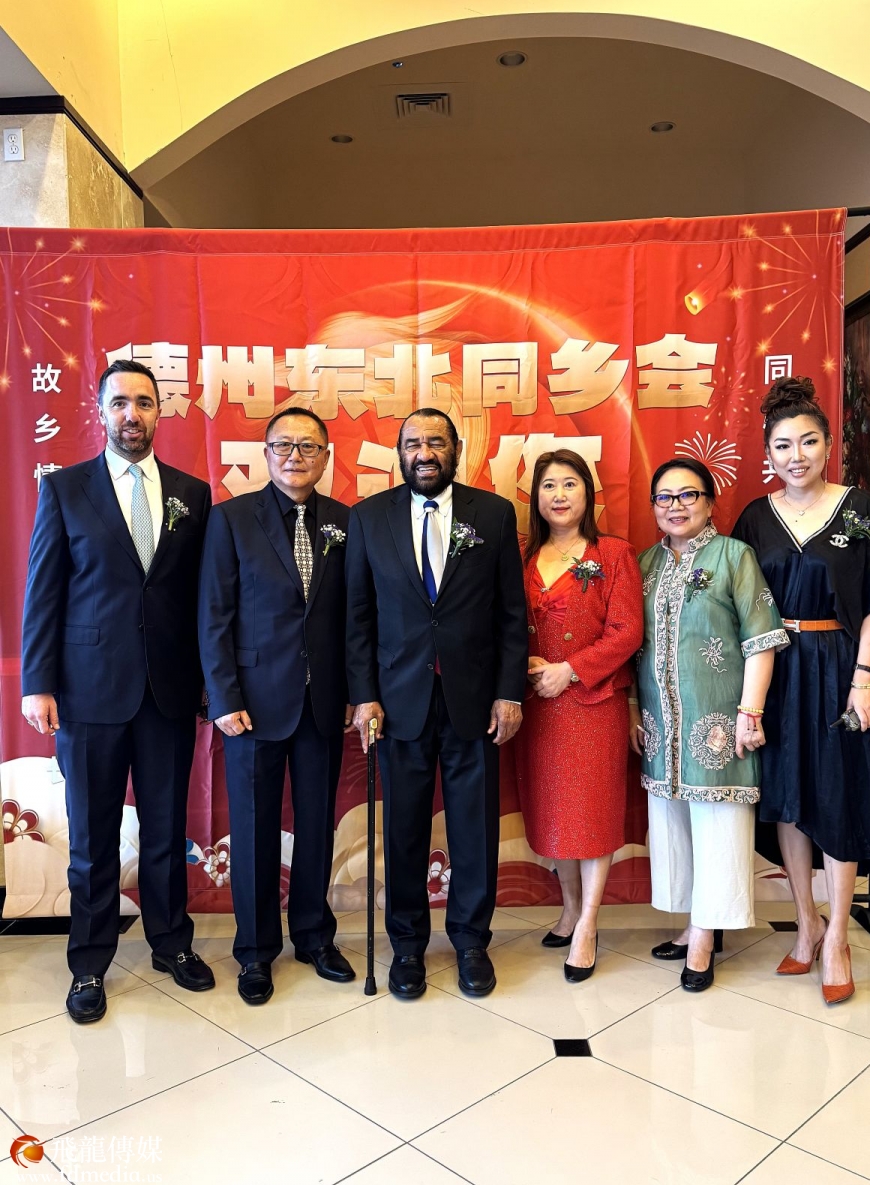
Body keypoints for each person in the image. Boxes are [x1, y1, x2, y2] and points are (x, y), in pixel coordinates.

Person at [21, 358, 215, 1023]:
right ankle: (89, 962)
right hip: (88, 693)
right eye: (120, 403)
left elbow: (201, 599)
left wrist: (208, 682)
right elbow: (43, 590)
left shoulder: (192, 493)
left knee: (165, 830)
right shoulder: (65, 489)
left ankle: (171, 943)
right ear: (101, 412)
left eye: (144, 402)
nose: (132, 414)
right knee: (94, 838)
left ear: (160, 412)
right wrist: (38, 682)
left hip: (169, 692)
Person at [346, 408, 528, 999]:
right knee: (402, 829)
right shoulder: (369, 517)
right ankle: (407, 947)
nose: (424, 453)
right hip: (398, 703)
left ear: (457, 449)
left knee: (474, 827)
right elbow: (358, 617)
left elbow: (510, 613)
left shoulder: (492, 514)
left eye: (435, 442)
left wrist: (508, 692)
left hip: (473, 700)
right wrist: (364, 696)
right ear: (400, 453)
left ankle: (471, 941)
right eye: (412, 444)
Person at [733, 376, 870, 1004]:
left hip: (840, 666)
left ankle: (838, 940)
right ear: (768, 454)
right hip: (776, 668)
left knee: (841, 795)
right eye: (783, 445)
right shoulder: (756, 517)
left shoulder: (858, 508)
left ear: (829, 445)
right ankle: (806, 923)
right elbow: (740, 603)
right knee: (790, 796)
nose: (796, 455)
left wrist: (864, 678)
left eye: (808, 441)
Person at [199, 406, 355, 1005]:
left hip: (323, 704)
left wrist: (353, 693)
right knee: (254, 830)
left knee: (317, 826)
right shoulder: (232, 519)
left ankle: (314, 937)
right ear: (265, 454)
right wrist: (223, 696)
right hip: (252, 706)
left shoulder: (345, 522)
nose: (295, 456)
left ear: (326, 456)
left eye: (308, 446)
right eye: (283, 445)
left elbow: (355, 618)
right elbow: (213, 615)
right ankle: (256, 951)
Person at [629, 458, 789, 992]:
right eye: (664, 497)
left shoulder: (734, 556)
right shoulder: (646, 562)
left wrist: (750, 712)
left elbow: (761, 639)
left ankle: (704, 937)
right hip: (660, 721)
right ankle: (693, 920)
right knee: (673, 824)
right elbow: (633, 647)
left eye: (687, 495)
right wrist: (632, 709)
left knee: (719, 823)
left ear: (709, 501)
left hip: (718, 720)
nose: (675, 506)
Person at [514, 450, 643, 982]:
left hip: (592, 704)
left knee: (591, 815)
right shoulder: (521, 556)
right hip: (537, 708)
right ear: (536, 498)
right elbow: (504, 622)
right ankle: (569, 909)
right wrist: (523, 663)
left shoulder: (612, 553)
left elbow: (627, 632)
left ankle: (588, 924)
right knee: (553, 815)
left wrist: (570, 670)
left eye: (570, 484)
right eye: (549, 485)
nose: (560, 495)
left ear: (588, 493)